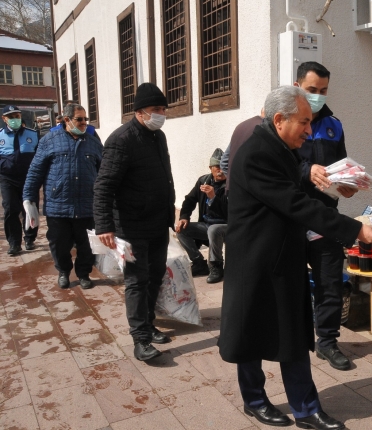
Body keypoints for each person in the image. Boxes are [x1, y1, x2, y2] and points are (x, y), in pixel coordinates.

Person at [218, 85, 372, 430]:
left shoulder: (279, 146)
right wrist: (354, 229)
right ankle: (255, 400)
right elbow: (295, 203)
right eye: (304, 123)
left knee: (292, 334)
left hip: (283, 258)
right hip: (255, 260)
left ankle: (306, 409)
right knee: (250, 332)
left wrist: (339, 184)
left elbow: (298, 186)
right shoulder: (257, 153)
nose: (309, 131)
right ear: (279, 120)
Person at [94, 83, 175, 362]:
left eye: (163, 109)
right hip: (131, 225)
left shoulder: (158, 136)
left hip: (156, 223)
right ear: (139, 112)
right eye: (156, 110)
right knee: (137, 281)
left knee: (154, 278)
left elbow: (164, 177)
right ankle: (140, 340)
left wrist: (170, 214)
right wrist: (105, 225)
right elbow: (104, 185)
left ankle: (149, 325)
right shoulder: (122, 140)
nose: (161, 114)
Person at [293, 61, 357, 371]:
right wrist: (306, 171)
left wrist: (348, 184)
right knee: (290, 283)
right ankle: (291, 337)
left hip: (325, 218)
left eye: (323, 91)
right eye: (311, 90)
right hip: (290, 218)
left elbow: (341, 166)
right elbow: (276, 166)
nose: (317, 96)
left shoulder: (334, 125)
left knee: (330, 282)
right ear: (297, 87)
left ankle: (328, 342)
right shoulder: (284, 121)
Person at [23, 103, 102, 290]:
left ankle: (84, 273)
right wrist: (28, 198)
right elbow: (35, 171)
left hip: (86, 204)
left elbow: (105, 173)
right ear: (67, 120)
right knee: (59, 243)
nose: (84, 123)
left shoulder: (93, 143)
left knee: (86, 244)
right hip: (58, 205)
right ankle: (64, 271)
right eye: (79, 119)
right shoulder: (49, 141)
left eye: (85, 119)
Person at [175, 148, 228, 283]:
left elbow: (231, 210)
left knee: (214, 229)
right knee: (182, 229)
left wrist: (213, 198)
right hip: (207, 224)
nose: (220, 170)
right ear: (210, 168)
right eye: (217, 167)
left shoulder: (232, 184)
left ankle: (216, 267)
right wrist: (184, 217)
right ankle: (199, 263)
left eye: (223, 167)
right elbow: (189, 200)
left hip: (227, 226)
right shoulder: (203, 181)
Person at [0, 105, 39, 255]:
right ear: (4, 119)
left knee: (30, 209)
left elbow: (39, 156)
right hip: (7, 178)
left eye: (17, 116)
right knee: (10, 209)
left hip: (28, 178)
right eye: (11, 117)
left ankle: (29, 238)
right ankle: (14, 243)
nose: (15, 119)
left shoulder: (33, 134)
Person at [220, 109, 263, 189]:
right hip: (252, 193)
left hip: (233, 191)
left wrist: (234, 181)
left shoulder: (241, 126)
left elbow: (224, 162)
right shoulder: (264, 129)